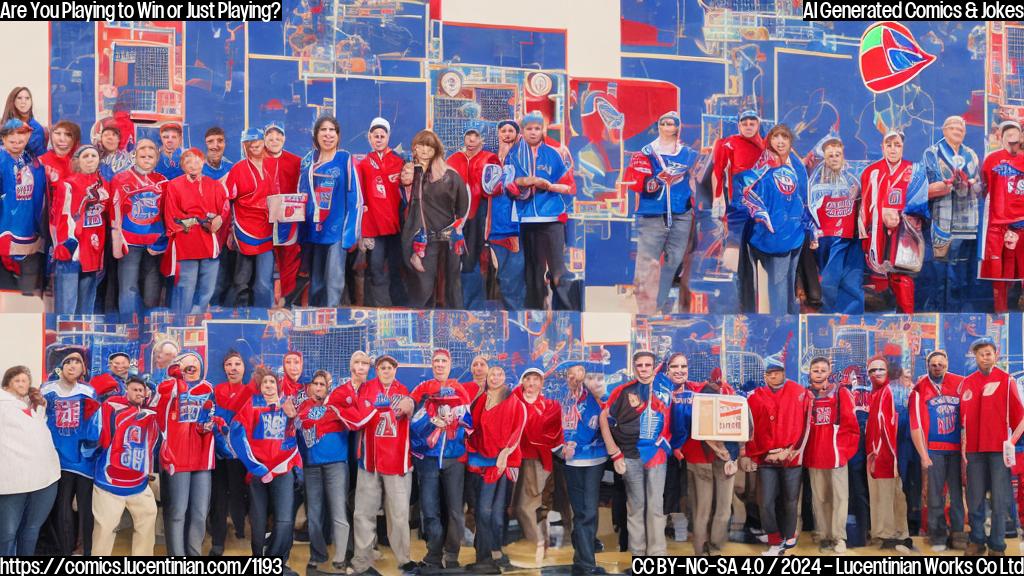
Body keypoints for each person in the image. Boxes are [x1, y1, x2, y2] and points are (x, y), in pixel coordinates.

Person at [226, 367, 300, 574]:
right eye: (264, 383)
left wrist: (294, 417)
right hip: (259, 473)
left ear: (277, 384)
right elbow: (236, 434)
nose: (268, 386)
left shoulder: (288, 404)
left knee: (285, 520)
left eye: (271, 382)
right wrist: (255, 466)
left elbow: (298, 434)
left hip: (283, 470)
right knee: (258, 522)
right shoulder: (253, 404)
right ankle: (259, 563)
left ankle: (277, 563)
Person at [624, 111, 699, 314]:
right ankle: (644, 307)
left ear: (677, 127)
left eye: (671, 124)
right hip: (653, 213)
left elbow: (695, 180)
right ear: (658, 127)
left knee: (674, 259)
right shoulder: (646, 152)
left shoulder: (690, 154)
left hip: (681, 212)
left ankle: (660, 301)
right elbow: (635, 181)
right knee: (648, 261)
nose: (667, 127)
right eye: (663, 123)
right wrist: (655, 182)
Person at [301, 366, 375, 572]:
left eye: (322, 385)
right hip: (311, 466)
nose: (318, 388)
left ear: (328, 388)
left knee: (338, 512)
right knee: (314, 515)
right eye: (315, 384)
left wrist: (341, 410)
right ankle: (318, 554)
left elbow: (357, 422)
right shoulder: (302, 408)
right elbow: (294, 435)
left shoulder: (337, 405)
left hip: (336, 465)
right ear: (310, 388)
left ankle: (340, 557)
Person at [349, 355, 417, 575]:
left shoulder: (405, 390)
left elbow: (414, 407)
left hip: (397, 462)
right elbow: (358, 416)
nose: (386, 371)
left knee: (398, 514)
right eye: (382, 367)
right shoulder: (366, 388)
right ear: (376, 370)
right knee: (363, 513)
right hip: (370, 461)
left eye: (390, 367)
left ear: (395, 370)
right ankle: (362, 560)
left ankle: (404, 559)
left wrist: (412, 405)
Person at [600, 351, 671, 557]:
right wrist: (615, 454)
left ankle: (657, 555)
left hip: (657, 456)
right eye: (639, 365)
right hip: (630, 457)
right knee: (636, 507)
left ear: (653, 366)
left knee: (656, 507)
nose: (644, 368)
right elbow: (604, 419)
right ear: (634, 366)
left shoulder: (664, 389)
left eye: (648, 365)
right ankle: (638, 555)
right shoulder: (622, 391)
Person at [960, 337, 1024, 556]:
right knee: (974, 499)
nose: (985, 357)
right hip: (974, 453)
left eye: (988, 353)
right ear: (975, 357)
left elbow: (1021, 418)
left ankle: (997, 546)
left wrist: (1011, 442)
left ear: (995, 355)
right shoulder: (967, 383)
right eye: (981, 354)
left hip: (998, 452)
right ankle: (977, 540)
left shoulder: (1007, 382)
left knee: (999, 501)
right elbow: (962, 422)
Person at [505, 112, 575, 310]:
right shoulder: (514, 155)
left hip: (552, 219)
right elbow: (507, 187)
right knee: (532, 271)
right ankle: (535, 313)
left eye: (537, 128)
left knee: (558, 270)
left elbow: (569, 187)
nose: (533, 132)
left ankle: (567, 312)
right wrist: (522, 182)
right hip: (526, 220)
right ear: (523, 131)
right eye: (529, 129)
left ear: (543, 130)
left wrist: (547, 186)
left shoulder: (555, 153)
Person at [410, 348, 472, 570]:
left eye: (443, 361)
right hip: (428, 458)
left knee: (455, 509)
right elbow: (412, 422)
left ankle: (452, 554)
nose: (439, 364)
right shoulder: (422, 388)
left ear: (450, 363)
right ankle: (433, 554)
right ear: (431, 363)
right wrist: (429, 420)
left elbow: (470, 422)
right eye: (436, 361)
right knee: (429, 509)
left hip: (454, 458)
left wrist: (454, 418)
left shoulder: (459, 388)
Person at [736, 124, 808, 314]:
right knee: (778, 284)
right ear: (770, 141)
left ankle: (791, 327)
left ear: (790, 141)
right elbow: (744, 192)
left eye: (784, 137)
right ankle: (780, 325)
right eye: (776, 137)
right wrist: (760, 213)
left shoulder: (798, 167)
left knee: (790, 282)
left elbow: (804, 198)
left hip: (796, 235)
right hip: (772, 235)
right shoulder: (762, 166)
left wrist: (808, 226)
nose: (780, 141)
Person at [744, 356, 810, 556]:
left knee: (790, 500)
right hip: (767, 458)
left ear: (784, 372)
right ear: (764, 375)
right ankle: (775, 538)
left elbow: (805, 425)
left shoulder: (799, 392)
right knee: (765, 502)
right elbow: (750, 428)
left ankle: (789, 535)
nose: (773, 376)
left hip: (791, 456)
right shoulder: (755, 396)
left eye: (776, 372)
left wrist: (790, 451)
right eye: (769, 373)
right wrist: (760, 454)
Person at [151, 351, 216, 556]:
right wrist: (175, 379)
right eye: (185, 365)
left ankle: (193, 557)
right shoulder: (167, 388)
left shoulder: (207, 388)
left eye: (194, 364)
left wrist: (208, 424)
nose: (190, 368)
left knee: (199, 513)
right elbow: (157, 413)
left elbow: (211, 416)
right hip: (176, 457)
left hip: (203, 456)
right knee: (177, 513)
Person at [87, 376, 160, 556]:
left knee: (147, 522)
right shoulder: (111, 407)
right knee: (105, 529)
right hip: (109, 483)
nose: (138, 393)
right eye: (134, 389)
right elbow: (95, 437)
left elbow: (154, 442)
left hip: (138, 484)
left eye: (141, 390)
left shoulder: (150, 414)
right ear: (125, 390)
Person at [466, 365, 528, 574]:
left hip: (501, 463)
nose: (495, 377)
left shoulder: (514, 401)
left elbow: (517, 430)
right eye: (492, 373)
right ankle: (484, 554)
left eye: (499, 373)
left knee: (494, 512)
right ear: (487, 376)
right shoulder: (480, 400)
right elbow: (470, 428)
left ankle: (492, 552)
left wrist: (505, 453)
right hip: (479, 462)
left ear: (505, 377)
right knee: (482, 510)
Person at [400, 129, 470, 309]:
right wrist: (414, 174)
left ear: (436, 150)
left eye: (429, 147)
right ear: (414, 148)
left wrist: (457, 228)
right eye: (421, 146)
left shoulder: (451, 175)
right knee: (423, 286)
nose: (424, 150)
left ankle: (455, 324)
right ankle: (419, 325)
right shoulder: (410, 173)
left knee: (452, 284)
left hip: (448, 238)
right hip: (422, 239)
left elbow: (463, 206)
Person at [41, 351, 99, 556]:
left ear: (83, 369)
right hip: (58, 458)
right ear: (60, 367)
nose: (72, 366)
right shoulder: (47, 390)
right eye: (68, 362)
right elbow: (39, 420)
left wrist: (90, 448)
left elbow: (94, 424)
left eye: (77, 362)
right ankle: (65, 551)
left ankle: (86, 551)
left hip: (84, 458)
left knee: (85, 508)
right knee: (63, 507)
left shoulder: (88, 391)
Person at [300, 115, 362, 307]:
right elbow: (301, 194)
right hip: (313, 230)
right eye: (323, 130)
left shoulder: (345, 159)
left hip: (337, 230)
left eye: (331, 130)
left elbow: (355, 198)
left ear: (338, 134)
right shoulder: (309, 161)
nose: (327, 135)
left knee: (334, 282)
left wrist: (351, 232)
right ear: (316, 134)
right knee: (316, 282)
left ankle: (331, 323)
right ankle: (314, 324)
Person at [860, 132, 925, 313]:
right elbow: (864, 206)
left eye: (897, 145)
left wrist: (901, 216)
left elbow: (922, 204)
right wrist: (865, 234)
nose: (893, 149)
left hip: (904, 235)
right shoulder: (870, 172)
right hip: (877, 234)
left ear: (903, 147)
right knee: (878, 280)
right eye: (889, 145)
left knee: (902, 279)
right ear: (882, 147)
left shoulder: (915, 171)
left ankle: (907, 319)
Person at [552, 362, 608, 575]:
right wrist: (562, 447)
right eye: (570, 374)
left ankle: (585, 561)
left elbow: (600, 425)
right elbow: (553, 427)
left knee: (588, 510)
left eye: (580, 373)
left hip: (594, 460)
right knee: (581, 511)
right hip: (570, 461)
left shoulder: (597, 397)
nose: (574, 377)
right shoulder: (561, 399)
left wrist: (577, 444)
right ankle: (583, 558)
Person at [908, 350, 966, 552]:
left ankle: (958, 533)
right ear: (928, 366)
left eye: (941, 364)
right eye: (934, 364)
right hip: (933, 450)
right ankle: (938, 534)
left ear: (947, 364)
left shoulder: (960, 383)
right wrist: (924, 455)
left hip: (958, 450)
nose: (938, 367)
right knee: (934, 495)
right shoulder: (919, 389)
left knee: (958, 495)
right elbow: (915, 425)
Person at [922, 116, 982, 309]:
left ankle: (957, 311)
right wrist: (950, 183)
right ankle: (938, 308)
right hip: (942, 218)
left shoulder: (971, 154)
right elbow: (927, 186)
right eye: (953, 127)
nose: (958, 130)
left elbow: (980, 186)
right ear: (944, 130)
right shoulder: (932, 153)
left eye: (961, 128)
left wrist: (972, 184)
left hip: (967, 221)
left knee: (960, 269)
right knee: (941, 270)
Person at [0, 366, 60, 556]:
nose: (22, 384)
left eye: (25, 380)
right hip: (12, 481)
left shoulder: (35, 404)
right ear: (7, 383)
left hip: (45, 478)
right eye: (17, 380)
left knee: (32, 529)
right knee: (7, 534)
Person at [163, 147, 229, 315]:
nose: (193, 165)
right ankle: (182, 322)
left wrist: (219, 218)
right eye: (188, 162)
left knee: (209, 285)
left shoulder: (214, 185)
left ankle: (198, 317)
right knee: (186, 285)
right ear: (182, 166)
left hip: (209, 240)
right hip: (187, 240)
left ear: (203, 162)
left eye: (196, 160)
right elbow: (172, 215)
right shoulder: (174, 185)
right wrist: (196, 220)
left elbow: (225, 207)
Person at [711, 109, 764, 313]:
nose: (749, 125)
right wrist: (718, 201)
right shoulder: (729, 143)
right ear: (739, 125)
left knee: (764, 261)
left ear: (758, 124)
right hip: (739, 211)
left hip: (764, 211)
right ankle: (743, 306)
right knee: (737, 262)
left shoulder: (768, 144)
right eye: (745, 122)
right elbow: (718, 172)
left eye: (752, 122)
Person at [804, 357, 859, 554]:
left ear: (829, 372)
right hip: (814, 454)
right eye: (815, 370)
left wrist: (843, 450)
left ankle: (839, 537)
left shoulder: (841, 392)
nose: (819, 373)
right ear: (809, 373)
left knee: (840, 497)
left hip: (836, 455)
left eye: (822, 370)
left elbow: (851, 424)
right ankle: (825, 535)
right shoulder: (805, 394)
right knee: (820, 498)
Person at [684, 366, 741, 556]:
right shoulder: (705, 396)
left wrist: (731, 453)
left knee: (707, 509)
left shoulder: (703, 395)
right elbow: (701, 428)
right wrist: (724, 450)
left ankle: (706, 550)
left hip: (715, 457)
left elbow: (740, 428)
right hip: (706, 458)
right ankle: (708, 549)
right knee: (712, 508)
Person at [109, 138, 168, 320]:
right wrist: (117, 240)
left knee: (152, 288)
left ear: (157, 158)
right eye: (142, 153)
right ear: (134, 155)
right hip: (130, 242)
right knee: (128, 288)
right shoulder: (121, 178)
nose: (147, 157)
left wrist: (163, 240)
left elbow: (168, 213)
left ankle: (149, 324)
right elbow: (115, 210)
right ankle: (129, 324)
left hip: (154, 244)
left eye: (151, 154)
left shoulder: (163, 181)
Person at [807, 137, 864, 313]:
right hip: (826, 239)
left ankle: (851, 314)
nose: (834, 158)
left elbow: (863, 207)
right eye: (830, 155)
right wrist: (813, 233)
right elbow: (810, 208)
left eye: (837, 154)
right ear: (824, 156)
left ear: (843, 155)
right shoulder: (815, 181)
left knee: (850, 280)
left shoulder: (853, 178)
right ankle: (828, 314)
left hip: (850, 239)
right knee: (829, 277)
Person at [513, 367, 563, 565]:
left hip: (538, 460)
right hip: (513, 459)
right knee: (520, 506)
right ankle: (539, 542)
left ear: (542, 384)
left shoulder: (550, 405)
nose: (532, 383)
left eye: (536, 379)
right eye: (528, 379)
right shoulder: (513, 402)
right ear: (522, 382)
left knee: (533, 505)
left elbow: (550, 434)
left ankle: (539, 543)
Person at [357, 117, 408, 308]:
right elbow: (360, 198)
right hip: (374, 227)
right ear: (369, 138)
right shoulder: (362, 164)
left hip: (396, 226)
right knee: (376, 267)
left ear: (388, 137)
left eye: (382, 135)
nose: (378, 139)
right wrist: (363, 231)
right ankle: (379, 307)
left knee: (397, 267)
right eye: (375, 136)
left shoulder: (400, 161)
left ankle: (398, 306)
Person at [863, 354, 912, 552]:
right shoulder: (875, 394)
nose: (876, 373)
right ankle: (895, 533)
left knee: (888, 496)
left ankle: (891, 535)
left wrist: (886, 457)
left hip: (886, 456)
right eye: (872, 370)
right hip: (878, 455)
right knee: (888, 496)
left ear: (888, 371)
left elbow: (891, 428)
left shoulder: (890, 393)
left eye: (880, 369)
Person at [52, 144, 109, 314]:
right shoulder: (68, 184)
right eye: (86, 156)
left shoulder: (105, 185)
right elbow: (62, 216)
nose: (90, 159)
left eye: (93, 155)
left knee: (87, 307)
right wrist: (66, 244)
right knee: (67, 306)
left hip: (93, 249)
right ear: (77, 161)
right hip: (72, 250)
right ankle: (65, 337)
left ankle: (84, 337)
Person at [448, 125, 500, 309]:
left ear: (482, 139)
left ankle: (474, 307)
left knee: (473, 261)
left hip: (479, 214)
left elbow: (496, 189)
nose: (471, 140)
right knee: (455, 259)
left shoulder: (489, 158)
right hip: (455, 215)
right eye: (468, 136)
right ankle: (456, 305)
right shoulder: (453, 159)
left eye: (475, 136)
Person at [225, 128, 275, 308]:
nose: (254, 145)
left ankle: (264, 320)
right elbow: (227, 202)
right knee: (241, 281)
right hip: (244, 229)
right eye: (249, 142)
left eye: (258, 141)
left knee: (263, 283)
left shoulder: (273, 166)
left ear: (264, 142)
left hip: (268, 230)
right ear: (244, 145)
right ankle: (235, 320)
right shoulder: (238, 169)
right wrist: (230, 230)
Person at [980, 121, 1024, 312]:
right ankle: (1001, 311)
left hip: (1022, 223)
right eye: (1008, 133)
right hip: (997, 225)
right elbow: (984, 188)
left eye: (1016, 133)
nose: (1012, 137)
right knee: (997, 274)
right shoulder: (991, 159)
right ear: (1001, 137)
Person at [483, 119, 526, 310]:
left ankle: (517, 317)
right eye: (503, 131)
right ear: (498, 134)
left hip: (515, 227)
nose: (507, 134)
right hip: (495, 227)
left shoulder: (523, 159)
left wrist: (518, 189)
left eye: (511, 131)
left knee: (513, 277)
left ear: (517, 135)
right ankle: (509, 317)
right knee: (500, 275)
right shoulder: (491, 160)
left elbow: (529, 189)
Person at [209, 351, 249, 556]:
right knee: (219, 497)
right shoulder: (216, 390)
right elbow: (211, 418)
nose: (233, 368)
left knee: (239, 493)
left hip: (242, 455)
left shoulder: (251, 392)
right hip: (219, 454)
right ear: (224, 368)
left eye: (237, 363)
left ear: (244, 367)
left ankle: (241, 529)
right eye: (229, 364)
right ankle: (217, 542)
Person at [0, 119, 47, 295]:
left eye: (21, 140)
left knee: (28, 279)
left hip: (28, 227)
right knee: (6, 288)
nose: (17, 144)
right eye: (12, 141)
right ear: (3, 139)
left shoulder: (32, 161)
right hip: (5, 227)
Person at [263, 123, 304, 305]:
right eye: (270, 138)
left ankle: (286, 299)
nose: (274, 141)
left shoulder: (296, 161)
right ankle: (267, 301)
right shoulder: (258, 159)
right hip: (264, 219)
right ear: (264, 140)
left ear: (284, 139)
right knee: (265, 261)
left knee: (289, 259)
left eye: (278, 137)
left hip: (289, 219)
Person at [2, 87, 46, 158]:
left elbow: (39, 157)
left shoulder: (36, 128)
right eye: (19, 98)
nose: (23, 101)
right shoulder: (3, 124)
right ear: (13, 101)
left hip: (29, 166)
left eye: (27, 98)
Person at [38, 120, 80, 186]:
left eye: (68, 134)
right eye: (58, 133)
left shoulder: (84, 162)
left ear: (76, 140)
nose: (62, 139)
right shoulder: (40, 163)